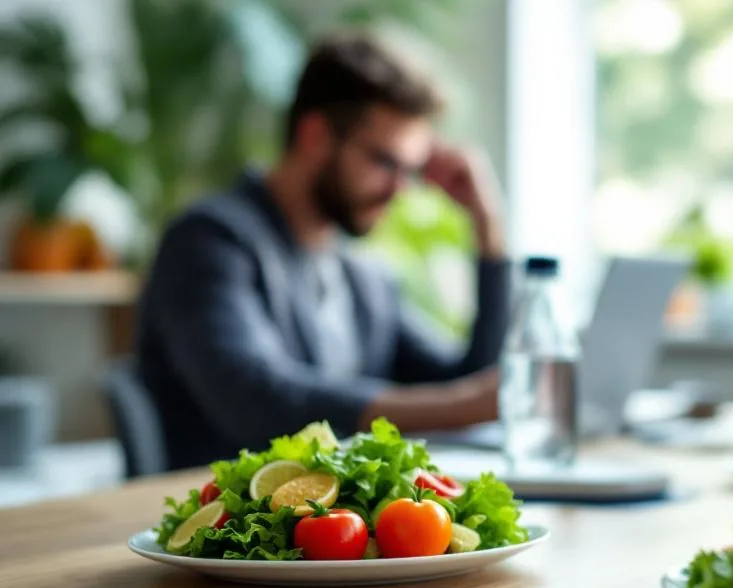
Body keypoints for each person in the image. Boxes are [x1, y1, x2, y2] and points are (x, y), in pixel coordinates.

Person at [137, 33, 510, 470]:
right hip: (219, 509)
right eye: (384, 162)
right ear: (315, 136)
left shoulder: (360, 275)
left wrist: (489, 229)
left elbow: (465, 384)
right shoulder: (208, 240)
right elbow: (255, 398)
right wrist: (465, 403)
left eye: (411, 171)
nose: (400, 191)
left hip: (330, 514)